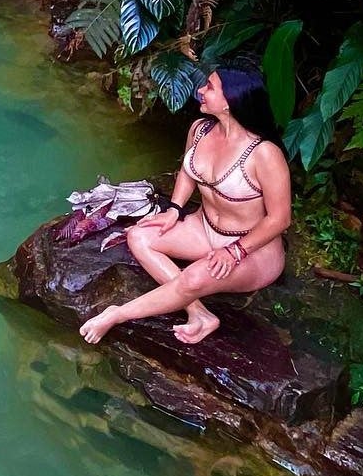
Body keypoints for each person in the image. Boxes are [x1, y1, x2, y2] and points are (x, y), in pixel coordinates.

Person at [79, 64, 291, 346]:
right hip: (203, 229)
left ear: (231, 102)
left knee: (194, 278)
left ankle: (117, 314)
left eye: (210, 87)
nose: (200, 91)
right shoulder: (200, 129)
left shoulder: (264, 154)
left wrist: (235, 251)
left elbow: (280, 219)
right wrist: (174, 210)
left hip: (252, 250)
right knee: (139, 236)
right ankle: (199, 313)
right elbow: (187, 172)